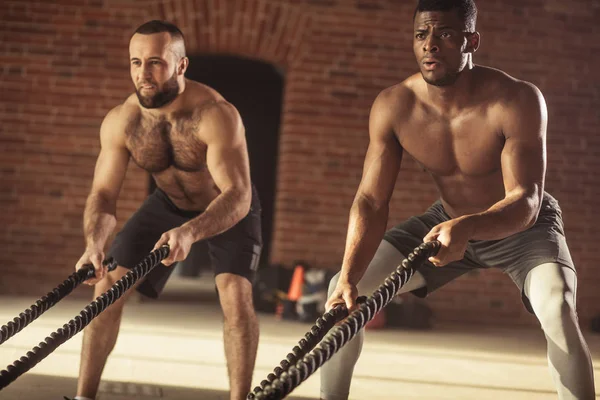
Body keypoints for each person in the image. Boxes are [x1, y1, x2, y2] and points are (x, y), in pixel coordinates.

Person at [320, 0, 596, 399]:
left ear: (471, 40)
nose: (430, 45)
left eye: (444, 34)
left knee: (556, 308)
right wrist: (348, 274)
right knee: (341, 297)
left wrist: (468, 226)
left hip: (521, 227)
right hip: (445, 221)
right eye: (421, 35)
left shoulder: (516, 99)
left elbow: (526, 199)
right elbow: (370, 201)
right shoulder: (395, 106)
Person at [68, 20, 262, 400]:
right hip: (168, 203)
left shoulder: (215, 114)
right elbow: (104, 196)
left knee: (236, 298)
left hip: (224, 205)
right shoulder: (123, 121)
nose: (143, 74)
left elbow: (238, 194)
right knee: (105, 288)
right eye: (136, 62)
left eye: (155, 62)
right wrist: (94, 245)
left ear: (181, 65)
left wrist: (191, 231)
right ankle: (82, 397)